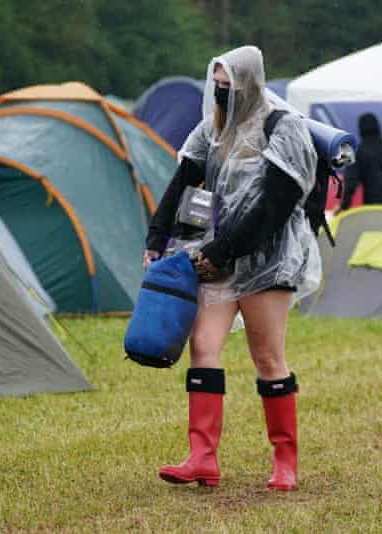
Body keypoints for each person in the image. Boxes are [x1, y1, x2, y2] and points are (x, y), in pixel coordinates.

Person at [143, 45, 320, 491]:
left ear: (251, 84)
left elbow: (273, 207)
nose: (221, 95)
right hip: (216, 258)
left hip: (268, 260)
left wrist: (224, 249)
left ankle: (285, 462)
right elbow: (184, 183)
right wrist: (157, 238)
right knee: (203, 345)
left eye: (230, 88)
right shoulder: (212, 130)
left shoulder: (284, 129)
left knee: (267, 357)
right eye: (216, 87)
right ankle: (202, 457)